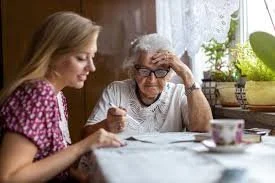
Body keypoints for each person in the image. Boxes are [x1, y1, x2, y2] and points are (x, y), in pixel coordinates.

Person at [0, 12, 126, 183]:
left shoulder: (57, 96)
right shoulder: (38, 94)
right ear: (52, 55)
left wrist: (76, 177)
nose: (92, 67)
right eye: (81, 58)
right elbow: (10, 177)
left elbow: (43, 161)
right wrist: (83, 146)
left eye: (93, 57)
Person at [83, 33, 212, 137]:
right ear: (133, 71)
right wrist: (106, 125)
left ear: (170, 73)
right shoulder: (116, 90)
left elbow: (204, 129)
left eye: (160, 71)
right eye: (144, 71)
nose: (152, 80)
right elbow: (84, 135)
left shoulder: (179, 94)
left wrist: (187, 74)